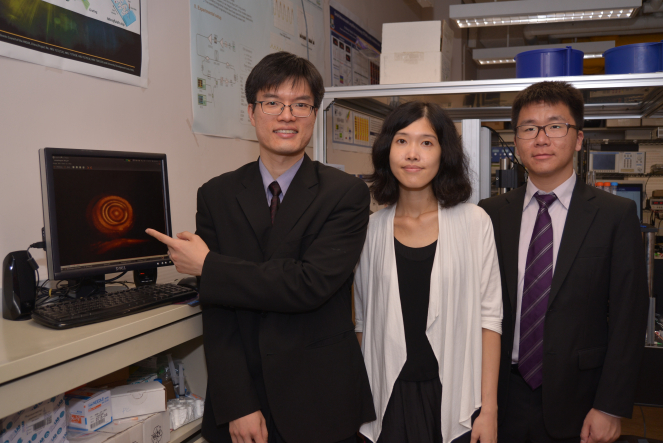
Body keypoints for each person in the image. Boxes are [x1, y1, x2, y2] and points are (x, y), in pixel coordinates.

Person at [146, 52, 375, 443]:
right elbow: (217, 312)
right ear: (252, 113)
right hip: (243, 393)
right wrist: (238, 403)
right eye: (272, 103)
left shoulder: (346, 193)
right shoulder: (216, 194)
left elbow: (308, 284)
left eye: (300, 105)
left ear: (314, 115)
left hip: (319, 395)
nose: (287, 116)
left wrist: (210, 266)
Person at [478, 81, 649, 443]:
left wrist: (609, 406)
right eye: (528, 128)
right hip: (500, 397)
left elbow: (628, 317)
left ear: (578, 138)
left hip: (581, 401)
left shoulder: (614, 215)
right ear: (518, 139)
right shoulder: (490, 214)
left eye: (555, 126)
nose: (541, 139)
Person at [354, 101, 503, 443]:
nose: (413, 154)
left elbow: (490, 320)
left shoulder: (474, 222)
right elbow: (363, 324)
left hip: (455, 400)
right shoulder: (370, 230)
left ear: (443, 153)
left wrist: (489, 409)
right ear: (387, 151)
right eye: (402, 141)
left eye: (426, 142)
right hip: (386, 402)